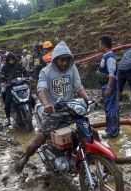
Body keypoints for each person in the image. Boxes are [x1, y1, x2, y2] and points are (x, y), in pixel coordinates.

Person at [16, 41, 94, 172]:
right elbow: (41, 89)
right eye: (61, 60)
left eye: (67, 60)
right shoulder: (45, 72)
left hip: (71, 109)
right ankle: (24, 159)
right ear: (55, 59)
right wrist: (46, 104)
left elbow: (78, 87)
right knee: (38, 140)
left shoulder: (72, 68)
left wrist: (88, 100)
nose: (64, 63)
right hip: (53, 112)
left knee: (92, 133)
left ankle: (100, 162)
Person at [96, 36, 120, 139]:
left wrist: (109, 88)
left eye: (99, 44)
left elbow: (112, 74)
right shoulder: (106, 56)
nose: (98, 46)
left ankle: (113, 132)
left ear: (104, 45)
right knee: (108, 108)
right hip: (105, 85)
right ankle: (110, 130)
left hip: (108, 85)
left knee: (110, 108)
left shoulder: (110, 57)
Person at [0, 52, 23, 126]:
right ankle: (8, 119)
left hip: (21, 86)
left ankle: (36, 114)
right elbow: (0, 77)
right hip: (10, 87)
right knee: (7, 103)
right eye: (10, 60)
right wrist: (2, 82)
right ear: (7, 60)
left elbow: (25, 72)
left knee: (32, 98)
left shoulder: (19, 65)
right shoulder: (4, 68)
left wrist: (29, 76)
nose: (12, 62)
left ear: (15, 59)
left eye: (13, 60)